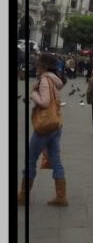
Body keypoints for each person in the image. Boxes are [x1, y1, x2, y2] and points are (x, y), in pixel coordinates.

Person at [19, 52, 69, 207]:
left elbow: (45, 102)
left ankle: (23, 195)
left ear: (43, 66)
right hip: (56, 124)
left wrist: (34, 94)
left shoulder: (44, 80)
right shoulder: (55, 80)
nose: (36, 67)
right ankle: (61, 197)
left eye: (38, 64)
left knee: (30, 158)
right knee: (56, 160)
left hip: (45, 126)